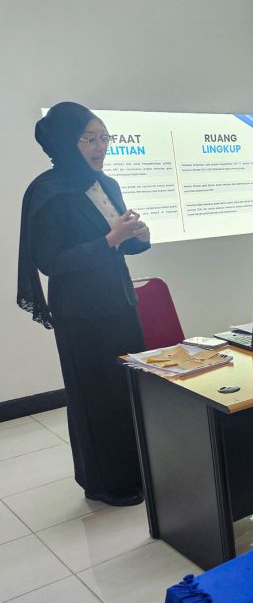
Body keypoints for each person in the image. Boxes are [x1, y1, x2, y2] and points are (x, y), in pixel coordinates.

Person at [16, 102, 152, 506]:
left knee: (129, 390)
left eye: (104, 137)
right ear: (65, 142)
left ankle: (140, 470)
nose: (100, 146)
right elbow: (51, 261)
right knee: (97, 397)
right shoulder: (47, 192)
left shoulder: (106, 184)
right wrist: (109, 240)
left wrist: (137, 236)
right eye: (88, 139)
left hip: (119, 303)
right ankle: (107, 483)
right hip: (80, 313)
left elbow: (121, 244)